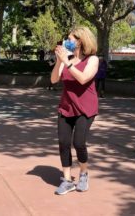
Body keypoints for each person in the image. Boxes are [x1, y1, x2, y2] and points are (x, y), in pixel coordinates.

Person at [50, 26, 99, 195]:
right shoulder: (66, 59)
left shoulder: (92, 60)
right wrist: (59, 61)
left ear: (80, 41)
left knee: (78, 143)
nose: (66, 42)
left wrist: (67, 62)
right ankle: (67, 179)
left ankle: (84, 173)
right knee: (63, 143)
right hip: (66, 107)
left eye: (70, 39)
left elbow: (83, 78)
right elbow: (54, 79)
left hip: (86, 108)